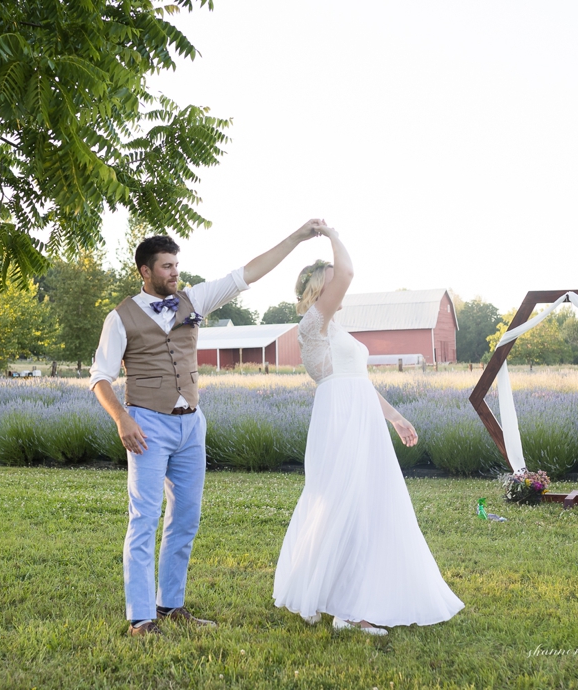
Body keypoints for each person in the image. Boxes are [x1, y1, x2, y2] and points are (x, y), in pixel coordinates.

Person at [91, 221, 325, 637]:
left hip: (190, 426)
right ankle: (141, 618)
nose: (174, 273)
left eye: (176, 265)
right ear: (145, 271)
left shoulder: (192, 299)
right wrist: (121, 418)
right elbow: (100, 377)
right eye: (166, 267)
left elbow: (245, 275)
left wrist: (297, 237)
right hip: (145, 423)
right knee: (144, 518)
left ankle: (171, 605)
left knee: (186, 518)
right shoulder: (120, 317)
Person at [272, 224, 464, 636]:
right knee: (345, 505)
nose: (340, 290)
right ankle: (349, 609)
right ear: (320, 289)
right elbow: (347, 274)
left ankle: (346, 605)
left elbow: (357, 381)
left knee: (365, 505)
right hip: (339, 421)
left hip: (360, 415)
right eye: (331, 283)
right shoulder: (314, 323)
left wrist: (394, 417)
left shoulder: (334, 328)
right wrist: (331, 235)